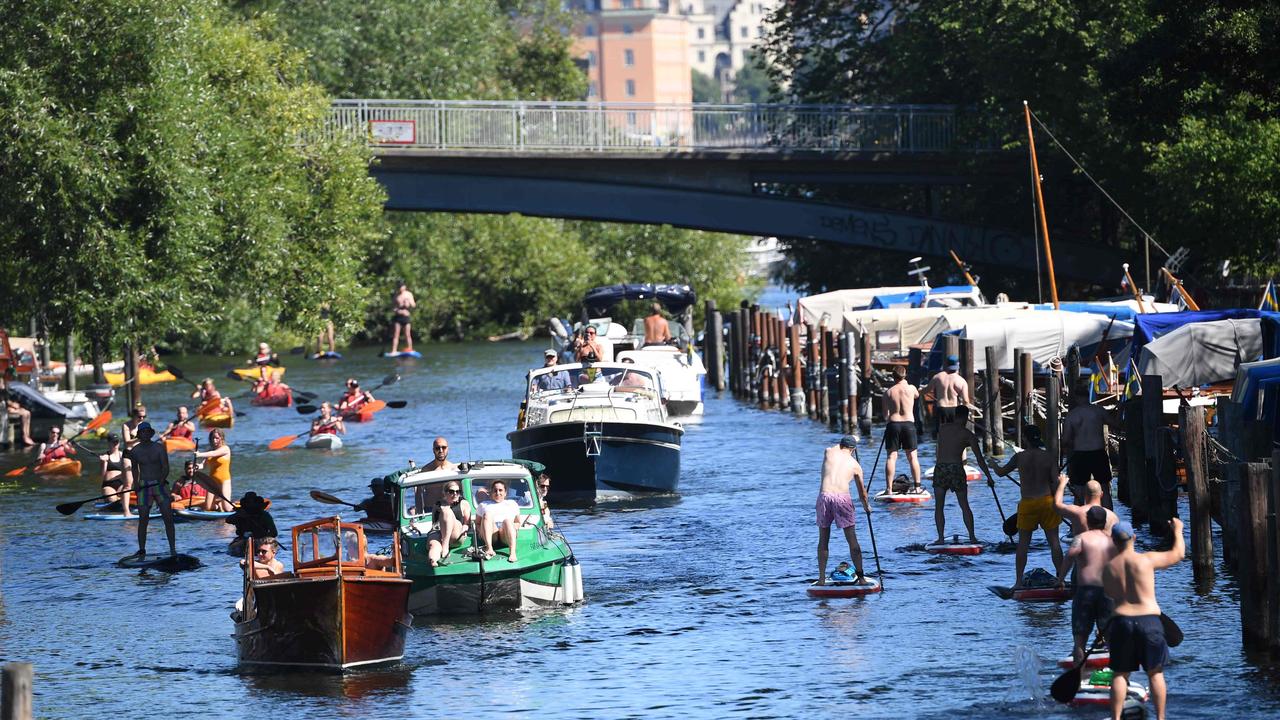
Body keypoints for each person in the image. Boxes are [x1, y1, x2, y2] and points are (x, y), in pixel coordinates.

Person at [1103, 519, 1184, 720]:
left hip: (1121, 621)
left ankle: (1116, 718)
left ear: (1113, 541)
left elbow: (1112, 595)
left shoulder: (1108, 568)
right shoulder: (1146, 560)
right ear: (1134, 538)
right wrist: (1179, 531)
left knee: (1120, 674)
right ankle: (1161, 718)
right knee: (1155, 673)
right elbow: (1178, 554)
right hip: (1149, 620)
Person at [995, 425, 1064, 589]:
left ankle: (1018, 582)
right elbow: (1056, 481)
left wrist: (992, 464)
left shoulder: (1019, 457)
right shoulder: (1049, 457)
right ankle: (1060, 580)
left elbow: (1001, 472)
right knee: (1054, 542)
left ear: (1025, 438)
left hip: (1027, 504)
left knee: (1023, 545)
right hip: (1047, 502)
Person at [1055, 506, 1115, 664]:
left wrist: (1061, 578)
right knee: (1111, 638)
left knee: (1079, 641)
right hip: (1108, 592)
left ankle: (1079, 677)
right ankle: (1117, 677)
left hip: (1086, 591)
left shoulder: (1081, 538)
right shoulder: (1112, 540)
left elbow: (1069, 556)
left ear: (1088, 521)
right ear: (1105, 522)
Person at [816, 436, 871, 585]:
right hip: (842, 498)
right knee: (852, 540)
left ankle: (821, 579)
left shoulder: (829, 452)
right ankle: (861, 578)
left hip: (824, 497)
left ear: (841, 445)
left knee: (823, 540)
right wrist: (867, 507)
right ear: (853, 450)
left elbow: (836, 446)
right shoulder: (856, 466)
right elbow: (862, 494)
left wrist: (853, 437)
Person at [932, 407, 992, 545]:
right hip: (956, 468)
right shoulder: (968, 434)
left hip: (941, 468)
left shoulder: (942, 428)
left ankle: (940, 538)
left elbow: (939, 447)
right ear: (966, 417)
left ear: (955, 415)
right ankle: (972, 537)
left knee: (939, 506)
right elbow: (979, 459)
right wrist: (989, 477)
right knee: (964, 505)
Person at [124, 422, 177, 558]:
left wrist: (161, 479)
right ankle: (142, 550)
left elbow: (165, 467)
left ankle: (172, 549)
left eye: (148, 431)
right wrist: (135, 484)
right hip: (144, 486)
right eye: (143, 432)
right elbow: (135, 469)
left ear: (151, 433)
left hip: (160, 485)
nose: (145, 434)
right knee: (143, 519)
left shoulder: (159, 448)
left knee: (168, 518)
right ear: (139, 435)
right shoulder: (135, 451)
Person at [1062, 394, 1116, 508]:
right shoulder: (1099, 411)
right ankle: (1109, 520)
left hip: (1080, 454)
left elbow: (1065, 440)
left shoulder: (1072, 415)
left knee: (1079, 491)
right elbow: (1116, 424)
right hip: (1098, 452)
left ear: (1076, 398)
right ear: (1087, 396)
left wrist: (1076, 444)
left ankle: (1078, 522)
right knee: (1104, 489)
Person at [882, 365, 922, 494]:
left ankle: (889, 489)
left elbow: (885, 415)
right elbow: (917, 395)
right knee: (912, 457)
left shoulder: (888, 392)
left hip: (893, 424)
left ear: (893, 376)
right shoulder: (911, 388)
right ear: (905, 375)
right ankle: (917, 487)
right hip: (908, 425)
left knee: (891, 457)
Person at [924, 354, 972, 436]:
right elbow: (966, 401)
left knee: (941, 437)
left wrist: (916, 390)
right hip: (954, 410)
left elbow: (926, 390)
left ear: (946, 364)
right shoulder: (961, 381)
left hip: (941, 409)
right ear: (958, 365)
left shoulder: (938, 377)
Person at [427, 480, 472, 566]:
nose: (455, 494)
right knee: (434, 545)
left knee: (447, 511)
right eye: (451, 492)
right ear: (445, 493)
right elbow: (434, 523)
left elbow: (467, 523)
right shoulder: (437, 504)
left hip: (456, 533)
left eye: (457, 492)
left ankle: (445, 545)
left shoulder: (463, 503)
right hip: (439, 531)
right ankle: (433, 560)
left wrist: (465, 528)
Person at [477, 479, 522, 562]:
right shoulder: (483, 505)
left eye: (500, 490)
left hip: (505, 533)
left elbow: (517, 522)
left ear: (505, 492)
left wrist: (513, 528)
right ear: (491, 493)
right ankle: (489, 548)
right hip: (491, 533)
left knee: (507, 521)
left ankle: (512, 552)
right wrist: (481, 532)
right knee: (488, 515)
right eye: (495, 490)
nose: (498, 493)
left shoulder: (512, 504)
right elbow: (478, 523)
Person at [227, 492, 278, 557]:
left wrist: (263, 537)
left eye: (253, 505)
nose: (251, 507)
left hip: (261, 540)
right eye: (248, 504)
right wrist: (240, 515)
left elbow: (274, 533)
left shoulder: (265, 515)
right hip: (243, 540)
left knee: (258, 545)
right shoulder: (240, 514)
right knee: (238, 546)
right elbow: (228, 520)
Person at [193, 428, 233, 512]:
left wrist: (200, 454)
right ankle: (218, 506)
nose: (214, 440)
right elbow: (203, 465)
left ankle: (232, 509)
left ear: (222, 438)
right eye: (212, 438)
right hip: (212, 482)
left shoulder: (225, 449)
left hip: (224, 481)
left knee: (227, 508)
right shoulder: (209, 451)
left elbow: (213, 454)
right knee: (208, 508)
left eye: (217, 438)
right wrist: (198, 466)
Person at [98, 434, 133, 514]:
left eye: (117, 442)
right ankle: (117, 502)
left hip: (121, 484)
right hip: (108, 485)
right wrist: (103, 462)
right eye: (113, 442)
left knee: (126, 496)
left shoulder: (124, 455)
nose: (115, 444)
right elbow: (102, 476)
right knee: (113, 500)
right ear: (109, 443)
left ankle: (123, 503)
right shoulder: (106, 456)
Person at [3, 377, 34, 446]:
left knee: (28, 413)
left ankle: (27, 434)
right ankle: (24, 436)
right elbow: (7, 402)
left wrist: (16, 405)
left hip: (11, 407)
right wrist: (15, 405)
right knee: (24, 414)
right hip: (6, 409)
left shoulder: (7, 390)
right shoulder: (3, 392)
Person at [389, 281, 416, 354]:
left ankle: (410, 349)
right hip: (398, 317)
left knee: (407, 334)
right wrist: (399, 311)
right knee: (396, 334)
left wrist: (409, 302)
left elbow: (413, 305)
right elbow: (393, 308)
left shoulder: (409, 294)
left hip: (406, 317)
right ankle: (394, 351)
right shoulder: (396, 296)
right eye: (399, 287)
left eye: (401, 287)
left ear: (404, 287)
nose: (400, 288)